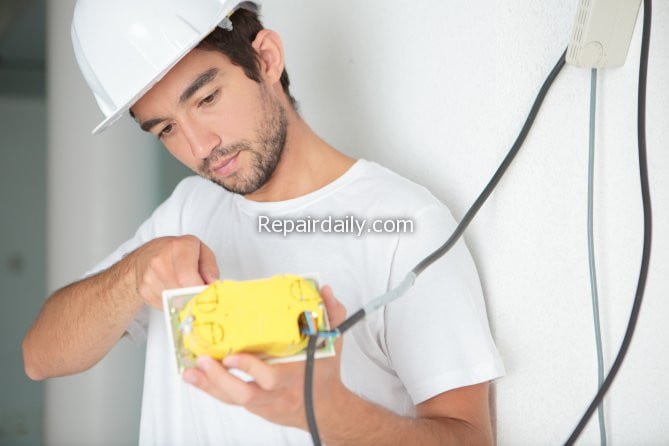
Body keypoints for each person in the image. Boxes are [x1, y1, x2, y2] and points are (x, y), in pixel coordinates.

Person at [23, 1, 504, 444]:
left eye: (207, 98)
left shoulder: (405, 225)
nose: (199, 147)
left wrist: (330, 412)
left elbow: (470, 437)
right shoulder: (188, 208)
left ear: (267, 59)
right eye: (166, 128)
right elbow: (40, 357)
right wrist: (133, 276)